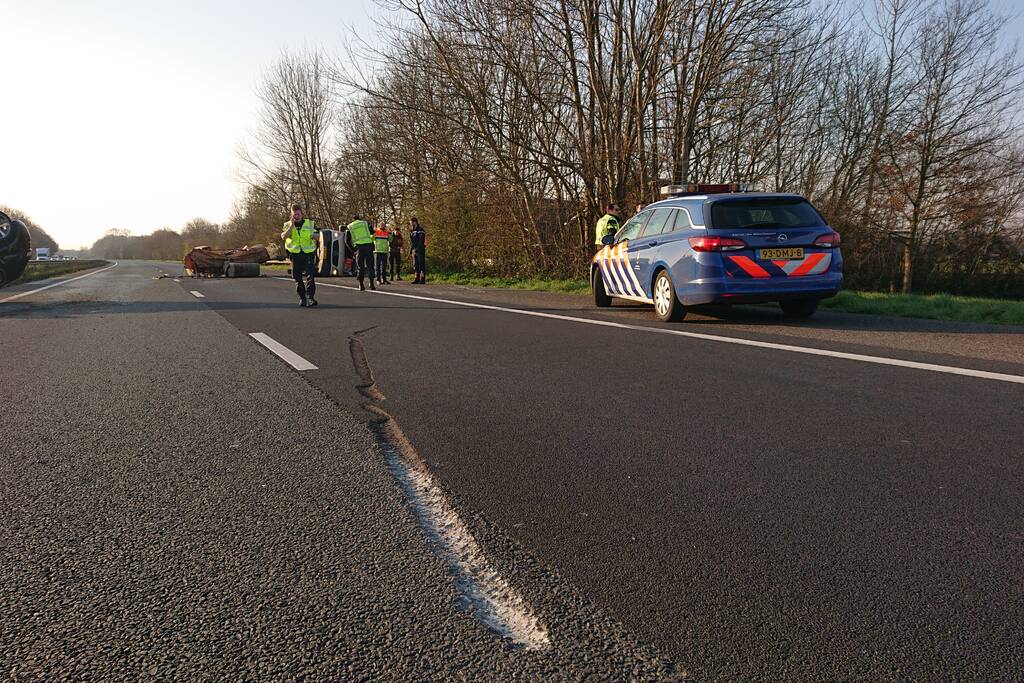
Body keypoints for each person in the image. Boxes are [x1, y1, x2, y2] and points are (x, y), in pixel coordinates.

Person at [280, 203, 317, 307]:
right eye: (294, 214)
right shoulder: (287, 224)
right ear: (291, 215)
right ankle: (302, 298)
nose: (296, 216)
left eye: (298, 214)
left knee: (311, 276)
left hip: (308, 253)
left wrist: (316, 236)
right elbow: (284, 236)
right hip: (295, 254)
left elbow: (317, 235)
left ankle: (310, 298)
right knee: (297, 277)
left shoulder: (310, 224)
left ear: (301, 214)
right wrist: (291, 225)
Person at [347, 214, 375, 290]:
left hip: (359, 248)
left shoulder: (350, 226)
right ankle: (371, 284)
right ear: (359, 219)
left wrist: (353, 250)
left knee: (360, 267)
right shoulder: (365, 223)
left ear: (353, 219)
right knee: (370, 266)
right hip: (368, 246)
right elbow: (372, 232)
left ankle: (361, 285)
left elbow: (347, 241)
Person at [409, 217, 426, 284]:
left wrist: (417, 249)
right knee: (415, 265)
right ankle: (417, 278)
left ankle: (422, 279)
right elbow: (412, 242)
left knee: (421, 264)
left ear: (415, 222)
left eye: (411, 223)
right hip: (414, 250)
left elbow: (421, 241)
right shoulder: (412, 231)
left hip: (420, 250)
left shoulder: (421, 230)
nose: (410, 224)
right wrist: (411, 250)